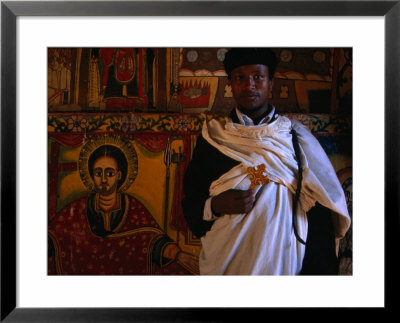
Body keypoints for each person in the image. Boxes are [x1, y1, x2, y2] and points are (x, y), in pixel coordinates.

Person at [182, 48, 351, 275]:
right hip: (228, 262)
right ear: (231, 83)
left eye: (258, 77)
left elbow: (320, 205)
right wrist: (216, 205)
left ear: (271, 82)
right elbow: (192, 200)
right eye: (240, 78)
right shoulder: (213, 137)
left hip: (285, 264)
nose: (250, 85)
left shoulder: (295, 137)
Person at [49, 142, 199, 275]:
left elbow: (151, 239)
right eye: (98, 173)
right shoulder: (79, 208)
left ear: (119, 175)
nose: (104, 179)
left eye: (109, 173)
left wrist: (178, 255)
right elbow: (55, 234)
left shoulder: (131, 206)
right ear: (92, 176)